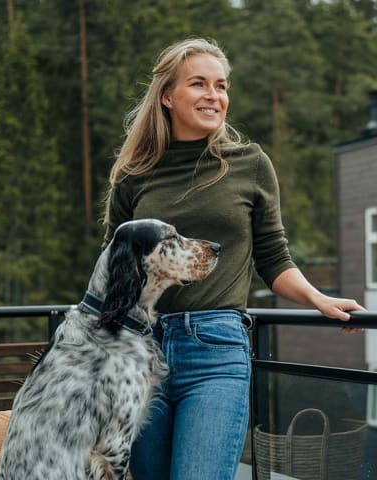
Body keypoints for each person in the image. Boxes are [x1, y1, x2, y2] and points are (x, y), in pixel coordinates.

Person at [103, 37, 363, 480]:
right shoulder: (135, 175)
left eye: (221, 86)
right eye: (199, 84)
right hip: (140, 354)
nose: (214, 95)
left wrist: (320, 299)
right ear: (167, 95)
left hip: (215, 352)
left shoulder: (250, 164)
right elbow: (116, 270)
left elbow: (274, 258)